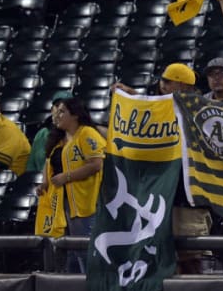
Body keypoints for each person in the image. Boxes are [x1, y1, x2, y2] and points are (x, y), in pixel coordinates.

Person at [114, 62, 211, 275]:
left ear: (183, 86)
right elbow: (148, 107)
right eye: (163, 80)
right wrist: (132, 96)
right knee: (166, 259)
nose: (162, 84)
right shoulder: (160, 105)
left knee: (192, 257)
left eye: (168, 81)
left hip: (187, 196)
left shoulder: (198, 108)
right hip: (161, 195)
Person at [40, 97, 105, 273]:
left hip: (85, 204)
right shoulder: (59, 139)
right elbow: (50, 163)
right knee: (70, 253)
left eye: (62, 112)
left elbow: (96, 164)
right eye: (56, 112)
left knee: (85, 252)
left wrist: (67, 177)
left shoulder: (87, 134)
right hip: (62, 204)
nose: (57, 116)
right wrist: (44, 183)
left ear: (75, 115)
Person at [26, 90, 73, 173]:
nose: (60, 110)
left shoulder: (80, 134)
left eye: (67, 107)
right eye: (57, 106)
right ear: (52, 110)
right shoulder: (42, 134)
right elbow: (31, 167)